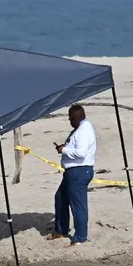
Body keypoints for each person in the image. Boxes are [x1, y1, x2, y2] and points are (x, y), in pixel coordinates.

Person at [47, 105, 96, 246]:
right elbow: (76, 148)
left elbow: (81, 153)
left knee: (78, 205)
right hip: (72, 172)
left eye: (71, 118)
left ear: (78, 116)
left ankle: (81, 236)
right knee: (60, 197)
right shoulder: (79, 130)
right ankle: (61, 230)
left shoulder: (84, 130)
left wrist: (64, 150)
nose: (69, 121)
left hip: (79, 171)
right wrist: (65, 148)